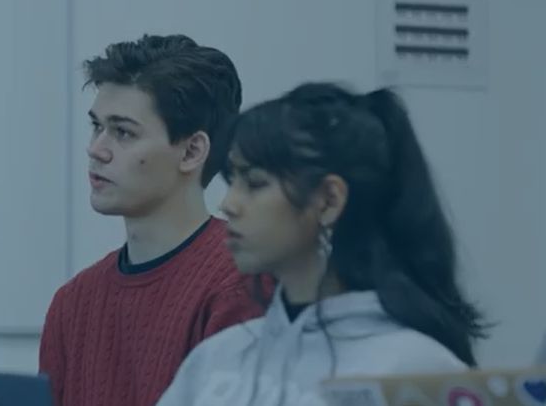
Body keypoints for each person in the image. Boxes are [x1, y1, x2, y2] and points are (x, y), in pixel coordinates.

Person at [157, 82, 486, 406]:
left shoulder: (412, 369)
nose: (229, 204)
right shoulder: (216, 358)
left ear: (329, 201)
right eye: (233, 181)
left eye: (254, 183)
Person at [39, 34, 267, 406]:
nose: (96, 149)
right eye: (97, 126)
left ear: (192, 151)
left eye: (123, 132)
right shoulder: (72, 304)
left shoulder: (242, 285)